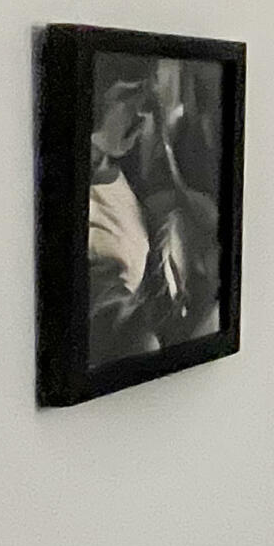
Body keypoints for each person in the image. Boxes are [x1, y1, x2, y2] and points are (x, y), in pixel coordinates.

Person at [84, 59, 220, 366]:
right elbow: (127, 336)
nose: (144, 111)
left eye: (146, 95)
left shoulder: (108, 167)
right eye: (127, 96)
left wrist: (167, 214)